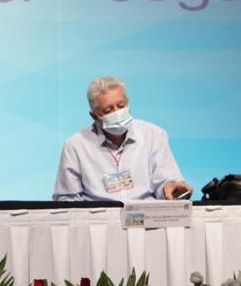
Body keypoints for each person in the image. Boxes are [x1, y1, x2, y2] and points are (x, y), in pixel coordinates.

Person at [52, 76, 192, 202]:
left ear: (128, 103)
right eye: (108, 110)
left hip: (147, 218)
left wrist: (171, 188)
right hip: (101, 219)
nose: (117, 113)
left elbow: (166, 182)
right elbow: (67, 199)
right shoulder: (76, 146)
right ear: (94, 116)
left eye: (121, 106)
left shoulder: (154, 135)